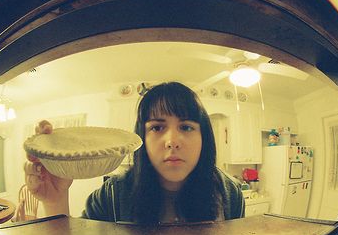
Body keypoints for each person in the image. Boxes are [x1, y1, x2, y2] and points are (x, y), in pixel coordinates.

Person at [25, 81, 244, 224]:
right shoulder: (110, 196)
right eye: (157, 128)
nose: (172, 142)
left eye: (186, 127)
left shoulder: (229, 193)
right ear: (141, 138)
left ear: (204, 137)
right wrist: (55, 200)